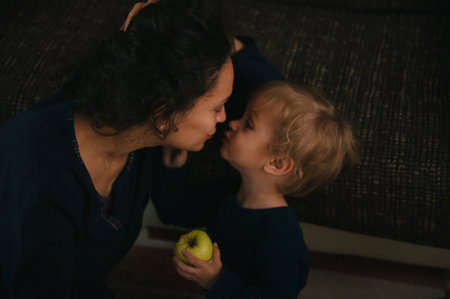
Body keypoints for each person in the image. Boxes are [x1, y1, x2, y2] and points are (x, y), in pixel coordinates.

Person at [0, 1, 235, 298]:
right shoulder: (38, 185)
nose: (224, 117)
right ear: (164, 110)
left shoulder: (138, 124)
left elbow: (173, 208)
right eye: (216, 107)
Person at [152, 80, 359, 297]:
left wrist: (217, 281)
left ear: (277, 164)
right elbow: (173, 211)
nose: (232, 123)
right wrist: (173, 167)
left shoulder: (282, 240)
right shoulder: (228, 195)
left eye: (248, 124)